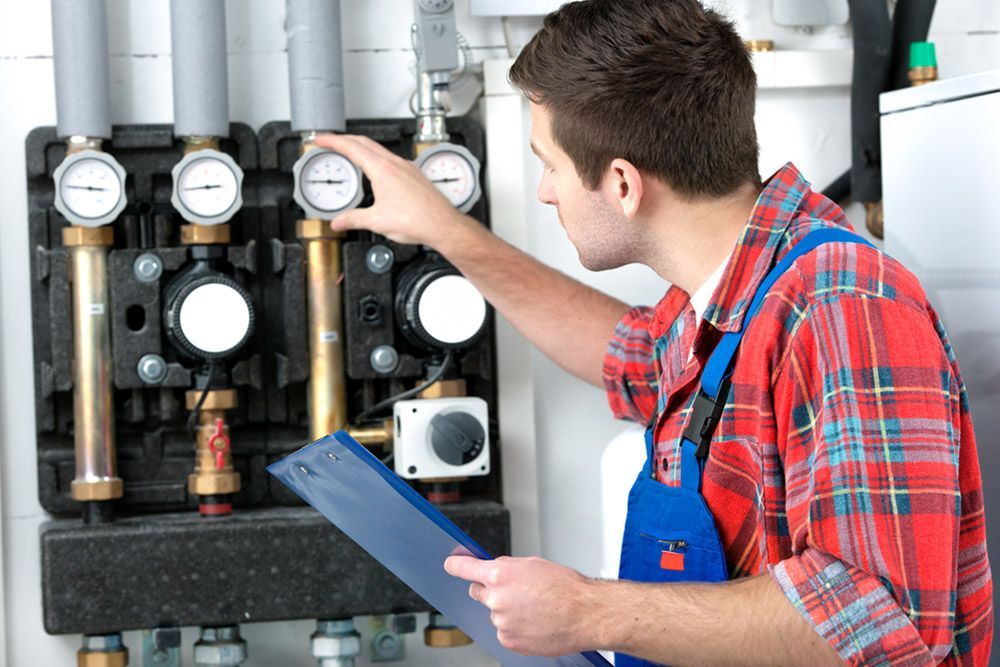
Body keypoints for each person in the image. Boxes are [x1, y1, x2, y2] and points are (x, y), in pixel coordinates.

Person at [316, 0, 993, 664]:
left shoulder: (843, 304)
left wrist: (589, 609)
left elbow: (882, 617)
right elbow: (626, 357)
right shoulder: (736, 293)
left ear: (622, 184)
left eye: (549, 165)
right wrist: (445, 229)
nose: (547, 191)